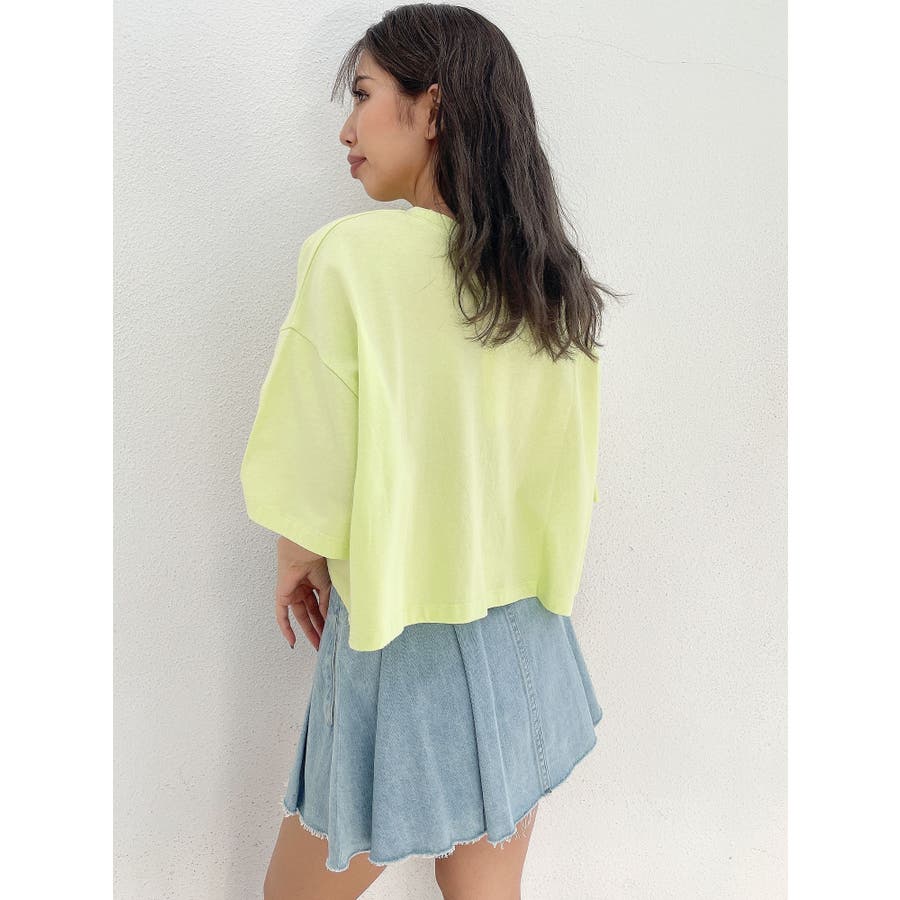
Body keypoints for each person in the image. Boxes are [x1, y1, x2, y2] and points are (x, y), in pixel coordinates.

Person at [240, 5, 626, 898]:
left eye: (362, 95)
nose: (346, 129)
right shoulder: (549, 276)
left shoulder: (350, 257)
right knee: (485, 891)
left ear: (435, 107)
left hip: (401, 633)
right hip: (527, 633)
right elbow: (568, 467)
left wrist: (297, 550)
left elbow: (311, 439)